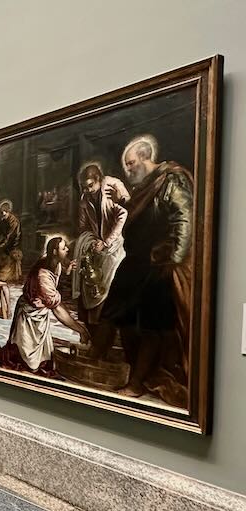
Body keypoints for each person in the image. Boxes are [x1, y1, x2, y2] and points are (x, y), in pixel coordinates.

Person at [93, 136, 193, 406]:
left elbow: (183, 220)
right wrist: (124, 203)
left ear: (147, 157)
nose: (128, 170)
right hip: (136, 262)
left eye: (131, 163)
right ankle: (95, 361)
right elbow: (145, 217)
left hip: (157, 264)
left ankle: (136, 382)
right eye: (126, 165)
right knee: (114, 314)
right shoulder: (147, 186)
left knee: (152, 325)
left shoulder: (171, 180)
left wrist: (172, 260)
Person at [4, 236, 90, 372]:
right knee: (28, 361)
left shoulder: (54, 262)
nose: (67, 249)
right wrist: (80, 329)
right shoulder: (43, 275)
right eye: (64, 248)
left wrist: (67, 271)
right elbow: (58, 310)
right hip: (29, 316)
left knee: (43, 359)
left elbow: (54, 279)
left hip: (40, 313)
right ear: (55, 252)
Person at [72, 163, 130, 326]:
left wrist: (106, 242)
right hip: (97, 245)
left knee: (109, 283)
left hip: (115, 244)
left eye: (90, 186)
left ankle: (108, 324)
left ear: (99, 180)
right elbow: (83, 226)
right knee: (91, 283)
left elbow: (123, 214)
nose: (87, 190)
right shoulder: (84, 199)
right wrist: (91, 241)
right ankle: (93, 325)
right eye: (84, 187)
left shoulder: (112, 186)